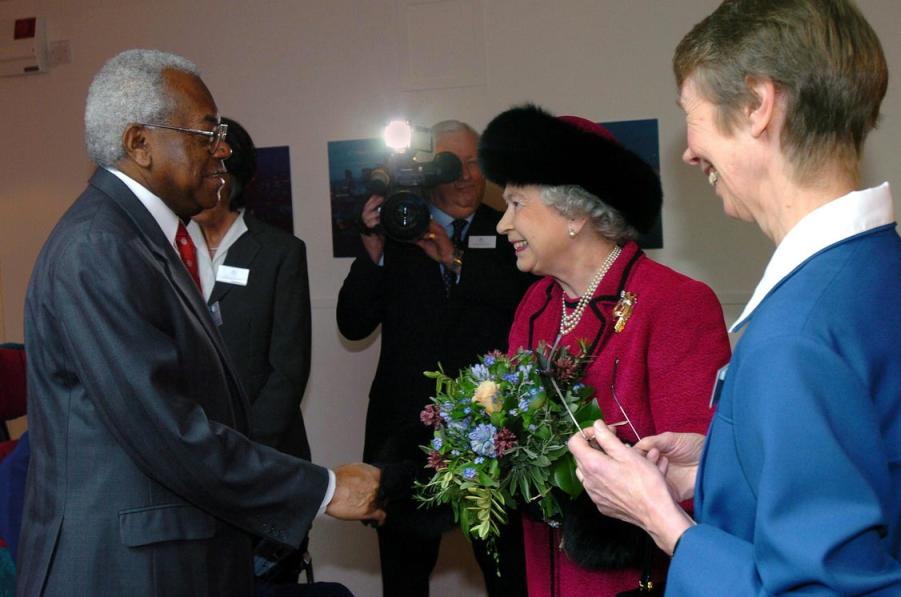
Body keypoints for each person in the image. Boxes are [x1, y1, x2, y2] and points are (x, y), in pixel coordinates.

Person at [569, 1, 901, 595]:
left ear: (757, 105)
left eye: (690, 115)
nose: (689, 153)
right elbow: (861, 478)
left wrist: (663, 521)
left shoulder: (798, 334)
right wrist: (717, 465)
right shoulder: (891, 276)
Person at [18, 49, 383, 597]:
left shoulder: (140, 239)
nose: (224, 149)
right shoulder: (99, 247)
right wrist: (325, 489)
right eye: (206, 132)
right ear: (140, 143)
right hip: (124, 569)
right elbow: (166, 429)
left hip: (170, 553)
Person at [478, 104, 731, 596]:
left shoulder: (675, 303)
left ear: (573, 212)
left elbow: (707, 478)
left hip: (638, 578)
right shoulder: (536, 305)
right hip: (545, 571)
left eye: (516, 204)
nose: (503, 225)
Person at [336, 120, 534, 596]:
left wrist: (456, 261)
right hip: (406, 435)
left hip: (491, 432)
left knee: (508, 573)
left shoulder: (510, 230)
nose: (467, 176)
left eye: (475, 163)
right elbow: (353, 324)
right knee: (404, 578)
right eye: (453, 164)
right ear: (427, 171)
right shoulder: (396, 232)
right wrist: (373, 252)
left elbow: (526, 307)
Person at [188, 116, 314, 585]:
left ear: (233, 180)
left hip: (266, 455)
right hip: (191, 459)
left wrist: (243, 455)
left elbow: (289, 369)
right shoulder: (166, 248)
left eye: (214, 176)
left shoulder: (279, 251)